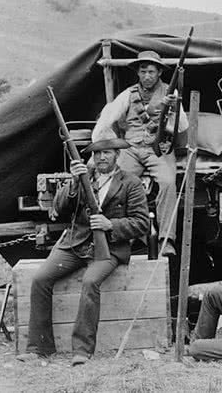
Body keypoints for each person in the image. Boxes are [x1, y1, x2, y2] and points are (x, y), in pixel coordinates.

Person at [16, 133, 149, 366]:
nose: (101, 157)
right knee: (40, 279)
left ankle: (82, 351)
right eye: (97, 153)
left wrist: (111, 225)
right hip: (75, 243)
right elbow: (59, 208)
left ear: (117, 155)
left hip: (108, 247)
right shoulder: (83, 177)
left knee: (90, 282)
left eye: (106, 152)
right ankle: (39, 347)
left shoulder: (131, 183)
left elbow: (142, 223)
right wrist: (75, 181)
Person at [92, 50, 188, 256]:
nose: (147, 76)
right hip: (131, 149)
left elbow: (182, 127)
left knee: (168, 183)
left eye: (151, 71)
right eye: (143, 71)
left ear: (160, 72)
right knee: (117, 183)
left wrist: (172, 109)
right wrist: (98, 147)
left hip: (159, 150)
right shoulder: (128, 95)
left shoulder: (171, 94)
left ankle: (166, 239)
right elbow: (106, 119)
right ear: (137, 72)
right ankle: (121, 234)